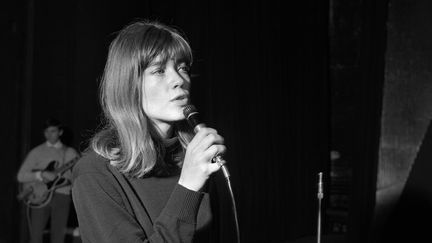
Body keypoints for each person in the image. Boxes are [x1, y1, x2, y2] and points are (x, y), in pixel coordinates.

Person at [71, 20, 228, 243]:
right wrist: (188, 188)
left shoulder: (198, 161)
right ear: (129, 85)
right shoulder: (95, 173)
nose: (179, 80)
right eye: (159, 70)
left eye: (182, 67)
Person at [17, 118, 80, 243]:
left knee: (58, 237)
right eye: (46, 132)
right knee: (35, 236)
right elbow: (21, 176)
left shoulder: (71, 153)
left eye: (53, 131)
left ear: (60, 132)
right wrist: (41, 174)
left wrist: (65, 180)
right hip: (39, 195)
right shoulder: (36, 152)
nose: (49, 135)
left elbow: (77, 177)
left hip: (62, 195)